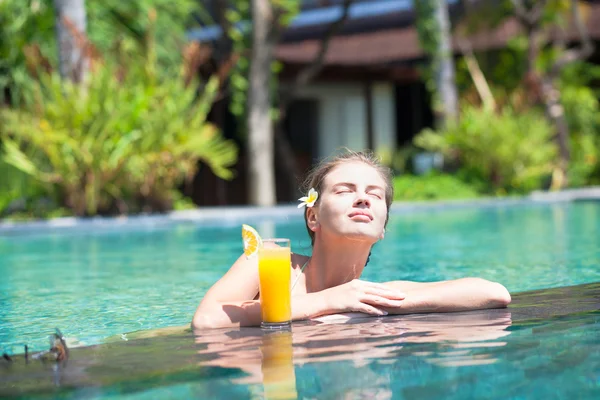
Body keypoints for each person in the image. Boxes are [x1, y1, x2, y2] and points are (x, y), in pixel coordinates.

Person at [192, 150, 511, 329]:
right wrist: (327, 302)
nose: (363, 199)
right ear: (312, 216)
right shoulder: (270, 259)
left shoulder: (369, 294)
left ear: (383, 228)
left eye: (375, 195)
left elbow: (493, 293)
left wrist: (375, 302)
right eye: (345, 190)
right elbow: (207, 320)